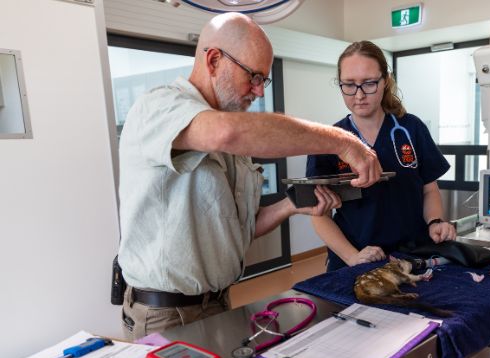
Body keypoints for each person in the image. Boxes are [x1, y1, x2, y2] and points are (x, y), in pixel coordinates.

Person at [117, 13, 382, 340]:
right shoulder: (158, 106)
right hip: (164, 313)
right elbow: (226, 133)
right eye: (254, 77)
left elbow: (239, 229)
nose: (258, 91)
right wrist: (342, 142)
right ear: (214, 60)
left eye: (264, 80)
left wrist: (291, 206)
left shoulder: (229, 136)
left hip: (218, 302)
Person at [306, 41, 456, 271]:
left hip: (412, 256)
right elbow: (318, 213)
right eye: (349, 85)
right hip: (355, 259)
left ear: (385, 81)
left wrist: (435, 221)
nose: (359, 95)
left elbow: (429, 190)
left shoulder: (411, 129)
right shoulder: (329, 140)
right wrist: (353, 257)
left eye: (369, 83)